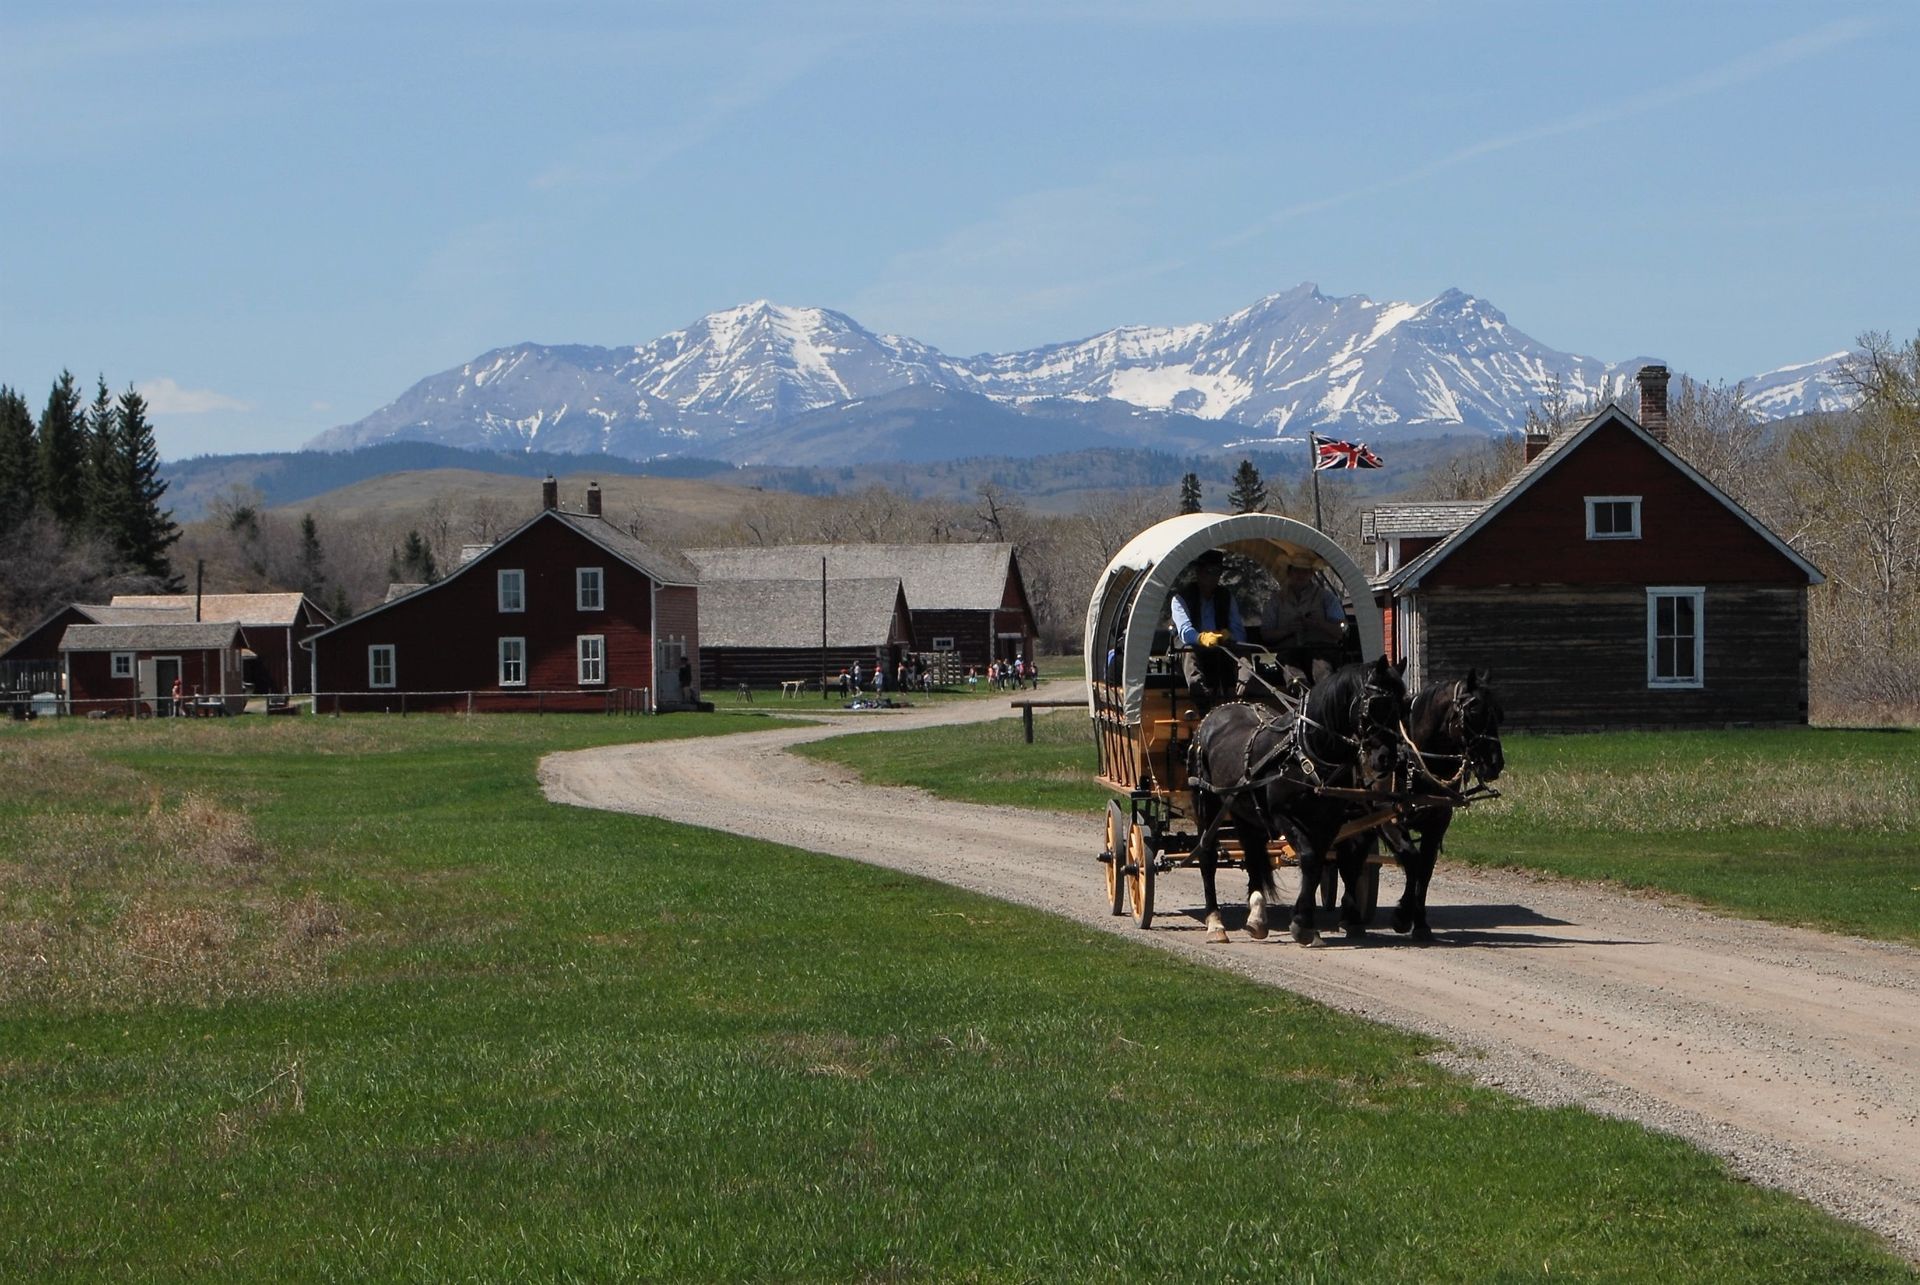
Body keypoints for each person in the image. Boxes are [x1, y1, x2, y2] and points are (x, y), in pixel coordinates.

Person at [1170, 548, 1246, 707]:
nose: (1213, 577)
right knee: (1188, 650)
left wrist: (1228, 635)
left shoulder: (1226, 596)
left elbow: (1239, 631)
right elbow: (1185, 632)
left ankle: (1244, 692)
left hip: (1221, 648)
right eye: (1208, 572)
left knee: (1242, 649)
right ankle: (1200, 694)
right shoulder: (1180, 598)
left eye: (1217, 572)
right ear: (1198, 573)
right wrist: (1201, 638)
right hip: (1193, 649)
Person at [1262, 558, 1346, 681]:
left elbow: (1340, 632)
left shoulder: (1327, 598)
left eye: (1305, 571)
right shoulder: (1276, 601)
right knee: (1289, 665)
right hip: (1289, 651)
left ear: (1311, 574)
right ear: (1289, 573)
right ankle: (1300, 691)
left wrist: (1318, 623)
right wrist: (1288, 630)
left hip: (1322, 650)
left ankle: (1323, 693)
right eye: (1296, 571)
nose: (1300, 575)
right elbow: (1266, 634)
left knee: (1322, 668)